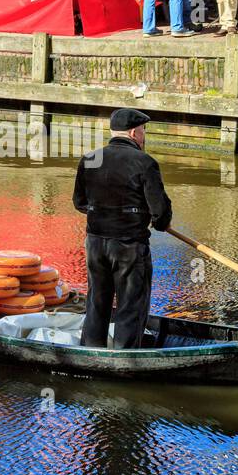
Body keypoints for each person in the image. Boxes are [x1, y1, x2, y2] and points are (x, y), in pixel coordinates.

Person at [72, 108, 173, 349]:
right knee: (131, 305)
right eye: (144, 131)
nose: (144, 136)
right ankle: (125, 357)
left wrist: (106, 212)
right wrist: (157, 221)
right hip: (128, 245)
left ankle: (91, 350)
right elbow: (160, 212)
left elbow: (79, 202)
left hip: (95, 243)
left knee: (97, 301)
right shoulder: (145, 162)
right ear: (134, 132)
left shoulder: (90, 158)